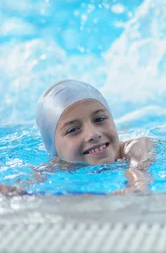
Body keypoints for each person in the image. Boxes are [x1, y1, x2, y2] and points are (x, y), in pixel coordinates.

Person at [1, 80, 155, 195]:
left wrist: (137, 184)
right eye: (73, 129)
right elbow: (30, 181)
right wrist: (14, 191)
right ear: (53, 147)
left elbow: (139, 168)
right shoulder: (58, 165)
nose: (93, 134)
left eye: (100, 119)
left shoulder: (133, 147)